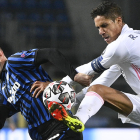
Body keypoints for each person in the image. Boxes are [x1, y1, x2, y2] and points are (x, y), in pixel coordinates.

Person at [43, 1, 140, 132]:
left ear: (118, 20)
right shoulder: (132, 41)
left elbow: (86, 70)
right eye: (98, 27)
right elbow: (105, 80)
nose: (101, 32)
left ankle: (76, 122)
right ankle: (75, 123)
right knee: (97, 89)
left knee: (97, 89)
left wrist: (55, 87)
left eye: (104, 25)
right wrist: (74, 99)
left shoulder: (121, 46)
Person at [0, 47, 92, 140]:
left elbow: (50, 53)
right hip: (40, 135)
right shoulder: (3, 90)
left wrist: (74, 75)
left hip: (58, 125)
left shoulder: (14, 62)